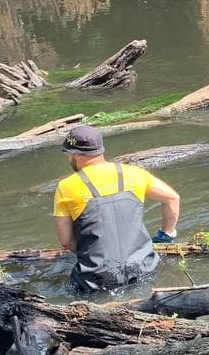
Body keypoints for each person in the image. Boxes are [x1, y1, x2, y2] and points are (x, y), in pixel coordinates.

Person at [53, 123, 181, 292]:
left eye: (68, 154)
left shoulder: (66, 186)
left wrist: (88, 252)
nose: (68, 158)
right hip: (143, 268)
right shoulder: (134, 173)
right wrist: (166, 235)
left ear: (76, 155)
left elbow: (66, 241)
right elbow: (172, 198)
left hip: (96, 279)